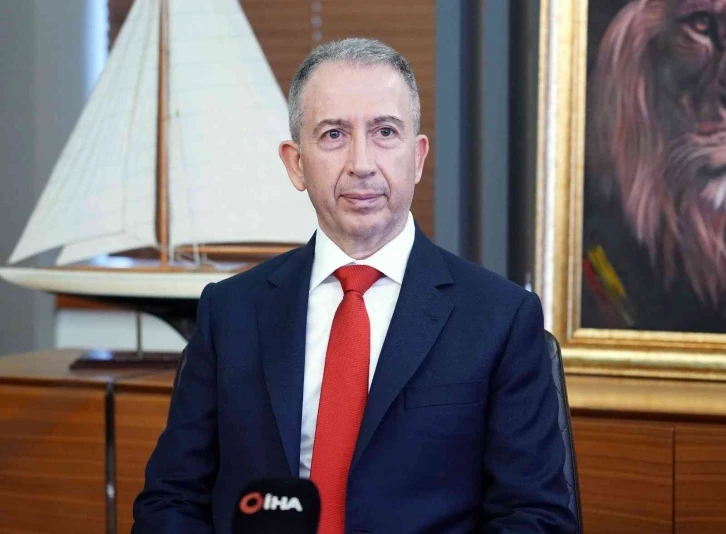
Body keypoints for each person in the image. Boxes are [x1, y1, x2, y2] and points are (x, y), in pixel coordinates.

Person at [133, 37, 575, 533]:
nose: (361, 163)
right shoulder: (230, 311)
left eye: (385, 132)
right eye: (333, 134)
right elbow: (170, 499)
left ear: (417, 157)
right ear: (296, 163)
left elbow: (535, 517)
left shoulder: (500, 319)